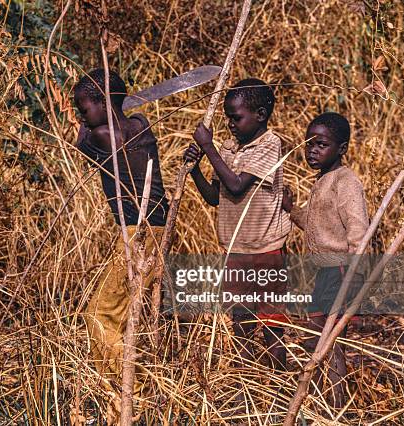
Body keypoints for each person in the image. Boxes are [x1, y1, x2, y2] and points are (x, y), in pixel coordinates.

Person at [73, 68, 169, 410]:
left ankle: (131, 394)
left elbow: (82, 145)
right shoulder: (140, 124)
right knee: (130, 312)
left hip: (136, 232)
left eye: (83, 109)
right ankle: (131, 392)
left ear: (102, 103)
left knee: (100, 314)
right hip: (158, 226)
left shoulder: (101, 136)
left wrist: (85, 126)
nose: (81, 116)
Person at [184, 78, 291, 370]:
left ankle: (279, 385)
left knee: (272, 324)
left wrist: (207, 146)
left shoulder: (270, 144)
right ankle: (245, 383)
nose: (230, 124)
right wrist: (195, 171)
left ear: (260, 115)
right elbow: (215, 197)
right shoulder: (230, 148)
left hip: (266, 250)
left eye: (236, 117)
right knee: (240, 322)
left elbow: (236, 186)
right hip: (235, 250)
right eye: (227, 117)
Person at [282, 112, 369, 409]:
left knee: (326, 339)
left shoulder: (346, 182)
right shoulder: (323, 180)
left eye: (321, 145)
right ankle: (327, 397)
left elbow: (359, 230)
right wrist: (292, 210)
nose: (312, 151)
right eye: (309, 144)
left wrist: (354, 275)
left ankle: (336, 403)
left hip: (341, 270)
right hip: (327, 271)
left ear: (341, 149)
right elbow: (319, 226)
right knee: (320, 336)